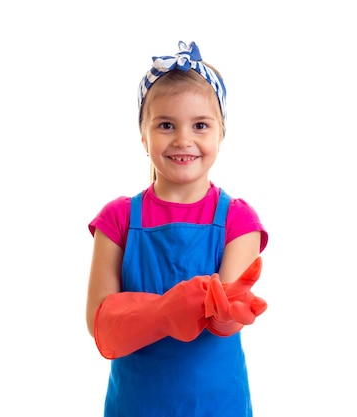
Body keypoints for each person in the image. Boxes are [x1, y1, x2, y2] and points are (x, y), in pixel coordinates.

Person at [85, 40, 269, 417]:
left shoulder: (238, 219)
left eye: (200, 125)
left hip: (217, 404)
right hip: (136, 405)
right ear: (143, 135)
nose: (183, 140)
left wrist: (227, 312)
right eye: (166, 125)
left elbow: (225, 324)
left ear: (221, 134)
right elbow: (100, 323)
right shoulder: (117, 219)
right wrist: (168, 311)